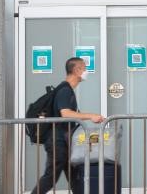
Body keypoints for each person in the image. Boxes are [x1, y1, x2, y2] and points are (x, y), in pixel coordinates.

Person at [31, 57, 105, 194]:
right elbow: (65, 113)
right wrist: (91, 116)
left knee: (74, 176)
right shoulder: (65, 90)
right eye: (85, 68)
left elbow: (70, 113)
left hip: (63, 140)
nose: (86, 72)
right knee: (51, 176)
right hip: (57, 141)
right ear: (77, 70)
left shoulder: (66, 89)